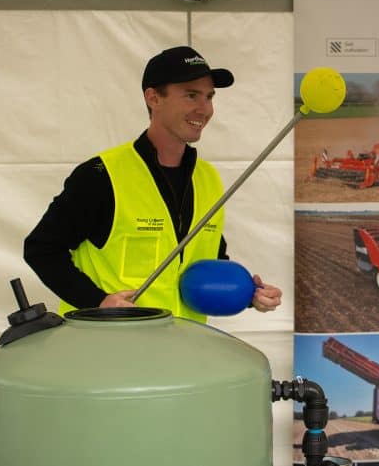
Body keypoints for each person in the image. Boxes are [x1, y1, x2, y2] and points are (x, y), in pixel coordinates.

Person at [23, 45, 282, 322]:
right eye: (191, 95)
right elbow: (42, 249)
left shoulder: (208, 178)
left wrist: (248, 294)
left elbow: (206, 258)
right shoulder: (101, 175)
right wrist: (96, 301)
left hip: (185, 349)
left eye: (209, 97)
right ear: (153, 98)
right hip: (111, 351)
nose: (204, 109)